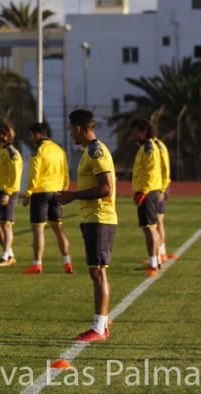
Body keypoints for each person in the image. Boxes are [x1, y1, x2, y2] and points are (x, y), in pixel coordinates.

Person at [59, 109, 117, 343]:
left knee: (98, 272)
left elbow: (106, 188)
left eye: (70, 127)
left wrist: (74, 195)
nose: (69, 132)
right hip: (93, 218)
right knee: (97, 272)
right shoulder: (89, 151)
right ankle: (102, 322)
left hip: (100, 217)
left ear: (78, 128)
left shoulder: (96, 151)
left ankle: (99, 328)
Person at [21, 122, 73, 275]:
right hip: (56, 192)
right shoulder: (59, 150)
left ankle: (37, 264)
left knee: (38, 230)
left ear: (38, 134)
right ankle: (67, 262)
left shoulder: (39, 150)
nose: (31, 139)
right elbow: (66, 173)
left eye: (31, 135)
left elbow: (34, 174)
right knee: (58, 229)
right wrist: (63, 190)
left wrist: (28, 193)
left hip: (41, 193)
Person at [131, 119, 164, 277]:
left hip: (148, 192)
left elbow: (151, 171)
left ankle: (153, 263)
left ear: (144, 131)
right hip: (150, 191)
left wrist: (143, 191)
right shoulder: (145, 147)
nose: (133, 134)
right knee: (152, 227)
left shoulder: (149, 147)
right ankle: (155, 260)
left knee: (149, 228)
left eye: (136, 131)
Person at [0, 123, 22, 268]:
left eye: (3, 134)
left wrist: (7, 193)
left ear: (10, 136)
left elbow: (15, 176)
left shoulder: (12, 153)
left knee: (6, 225)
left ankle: (4, 257)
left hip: (6, 192)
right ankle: (10, 255)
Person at [154, 133, 175, 263]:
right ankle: (161, 252)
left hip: (159, 187)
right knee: (157, 222)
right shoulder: (159, 145)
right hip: (160, 186)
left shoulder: (156, 146)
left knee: (158, 222)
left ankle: (161, 254)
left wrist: (162, 189)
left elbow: (164, 168)